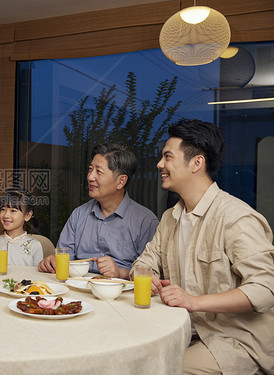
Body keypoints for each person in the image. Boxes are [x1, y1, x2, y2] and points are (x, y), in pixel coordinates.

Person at [131, 119, 274, 375]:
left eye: (167, 157)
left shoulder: (236, 218)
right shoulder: (170, 218)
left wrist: (194, 301)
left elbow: (264, 290)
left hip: (234, 342)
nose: (159, 164)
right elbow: (143, 263)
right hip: (183, 331)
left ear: (197, 163)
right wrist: (147, 275)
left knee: (157, 370)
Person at [38, 143, 159, 278]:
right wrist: (53, 262)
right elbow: (65, 260)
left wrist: (119, 273)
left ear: (121, 181)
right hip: (78, 288)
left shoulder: (146, 222)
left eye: (99, 171)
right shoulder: (78, 215)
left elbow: (150, 274)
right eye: (90, 169)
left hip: (123, 293)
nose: (90, 177)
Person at [0, 189, 44, 267]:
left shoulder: (35, 246)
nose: (6, 215)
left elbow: (38, 276)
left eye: (13, 211)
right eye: (3, 209)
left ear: (27, 215)